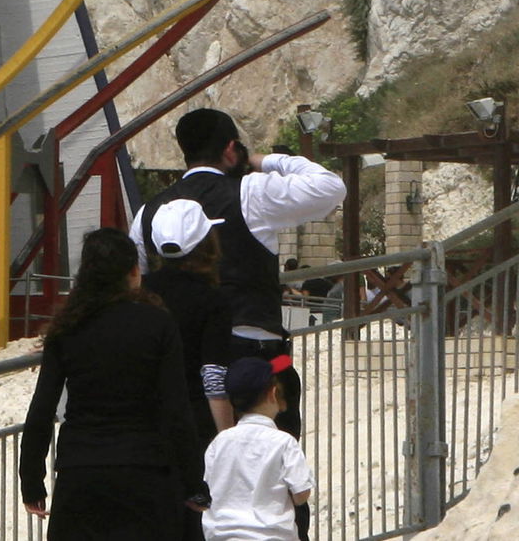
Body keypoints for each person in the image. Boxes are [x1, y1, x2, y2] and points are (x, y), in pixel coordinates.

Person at [131, 108, 343, 540]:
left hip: (181, 364)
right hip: (256, 357)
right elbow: (329, 187)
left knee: (195, 479)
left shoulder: (149, 212)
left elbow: (137, 282)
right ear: (231, 149)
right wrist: (268, 160)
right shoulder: (250, 191)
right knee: (274, 475)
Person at [20, 228, 203, 540]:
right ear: (133, 271)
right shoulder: (158, 324)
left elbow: (42, 407)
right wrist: (194, 481)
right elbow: (177, 408)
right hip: (145, 468)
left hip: (81, 471)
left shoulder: (67, 327)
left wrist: (32, 481)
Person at [142, 199, 235, 540]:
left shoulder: (140, 291)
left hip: (143, 422)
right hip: (194, 425)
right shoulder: (213, 300)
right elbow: (213, 375)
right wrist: (228, 437)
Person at [202, 356, 314, 541]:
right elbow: (301, 494)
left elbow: (210, 487)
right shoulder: (283, 442)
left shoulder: (218, 443)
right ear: (273, 393)